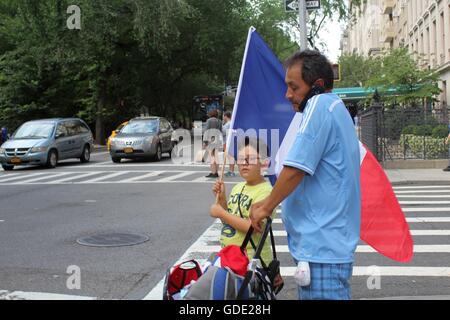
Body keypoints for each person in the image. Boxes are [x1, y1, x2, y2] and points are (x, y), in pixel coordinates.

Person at [249, 50, 361, 300]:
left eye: (293, 87)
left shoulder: (319, 104)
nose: (287, 94)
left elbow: (296, 167)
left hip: (321, 250)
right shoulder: (336, 108)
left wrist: (266, 206)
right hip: (325, 249)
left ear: (317, 86)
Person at [210, 137, 283, 288]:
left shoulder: (267, 192)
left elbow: (252, 227)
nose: (244, 163)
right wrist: (223, 200)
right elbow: (229, 221)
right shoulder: (238, 187)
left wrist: (221, 213)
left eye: (250, 159)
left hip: (251, 262)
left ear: (264, 162)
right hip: (230, 257)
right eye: (241, 158)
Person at [204, 109, 222, 178]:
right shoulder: (219, 121)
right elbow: (220, 131)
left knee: (211, 156)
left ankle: (213, 172)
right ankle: (216, 172)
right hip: (217, 139)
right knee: (216, 156)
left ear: (210, 114)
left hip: (210, 140)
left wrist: (205, 142)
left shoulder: (209, 120)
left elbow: (207, 131)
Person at [222, 111, 236, 177]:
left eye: (223, 116)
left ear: (225, 116)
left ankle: (231, 171)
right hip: (230, 141)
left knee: (230, 157)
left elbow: (223, 132)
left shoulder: (228, 124)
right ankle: (231, 171)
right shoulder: (231, 123)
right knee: (230, 157)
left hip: (228, 142)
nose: (223, 117)